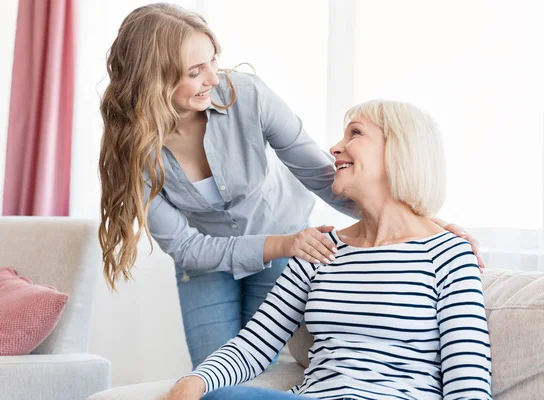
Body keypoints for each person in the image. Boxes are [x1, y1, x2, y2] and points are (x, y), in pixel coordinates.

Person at [98, 3, 485, 370]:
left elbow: (321, 173)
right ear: (155, 79)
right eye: (195, 71)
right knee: (212, 371)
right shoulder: (130, 150)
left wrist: (420, 223)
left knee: (266, 368)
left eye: (213, 60)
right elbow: (186, 246)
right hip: (209, 260)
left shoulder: (245, 95)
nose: (215, 78)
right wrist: (283, 243)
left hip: (285, 237)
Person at [166, 100, 492, 400]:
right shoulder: (320, 248)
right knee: (217, 396)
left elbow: (468, 383)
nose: (335, 148)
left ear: (399, 150)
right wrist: (193, 382)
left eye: (355, 133)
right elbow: (255, 343)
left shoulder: (449, 254)